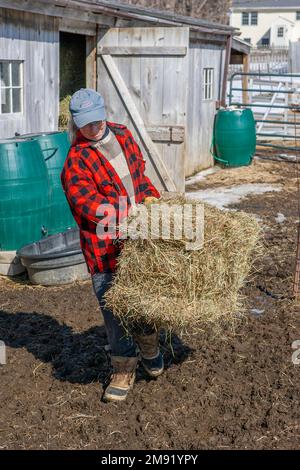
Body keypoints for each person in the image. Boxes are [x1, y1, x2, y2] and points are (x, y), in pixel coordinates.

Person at [61, 88, 164, 402]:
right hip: (104, 248)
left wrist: (150, 200)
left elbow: (139, 175)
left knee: (143, 298)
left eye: (97, 120)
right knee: (113, 309)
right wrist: (128, 212)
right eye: (86, 125)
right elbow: (89, 207)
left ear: (104, 113)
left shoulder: (122, 133)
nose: (94, 128)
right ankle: (122, 367)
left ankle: (149, 345)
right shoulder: (75, 162)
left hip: (137, 238)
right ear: (77, 125)